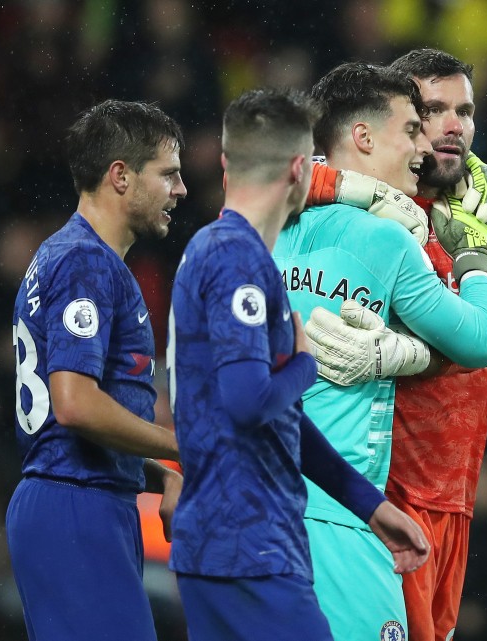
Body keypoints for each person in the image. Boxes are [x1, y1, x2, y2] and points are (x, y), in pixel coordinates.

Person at [167, 87, 429, 641]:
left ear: (223, 163)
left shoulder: (210, 249)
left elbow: (273, 415)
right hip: (252, 541)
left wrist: (369, 504)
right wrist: (305, 365)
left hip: (214, 540)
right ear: (298, 169)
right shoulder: (238, 259)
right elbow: (247, 400)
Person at [302, 48, 487, 641]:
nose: (454, 125)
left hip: (452, 489)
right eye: (432, 111)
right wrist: (355, 187)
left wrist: (392, 353)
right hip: (371, 480)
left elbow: (486, 335)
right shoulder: (363, 199)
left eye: (466, 110)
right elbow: (271, 177)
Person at [7, 99, 186, 641]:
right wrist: (184, 446)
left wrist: (161, 473)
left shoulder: (68, 255)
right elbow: (75, 404)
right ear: (120, 176)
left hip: (79, 499)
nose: (180, 190)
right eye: (169, 174)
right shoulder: (85, 262)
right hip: (74, 506)